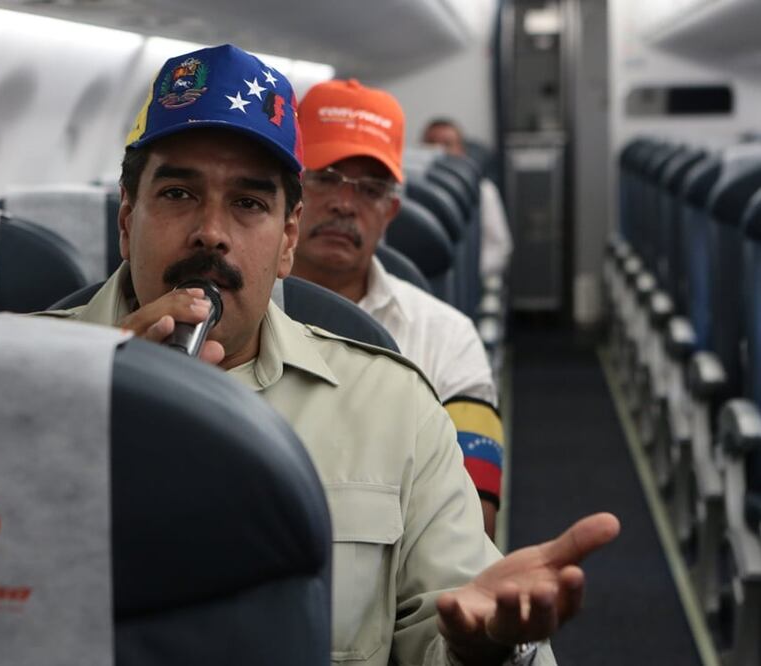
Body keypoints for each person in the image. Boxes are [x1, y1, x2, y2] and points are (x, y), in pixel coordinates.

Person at [46, 44, 618, 666]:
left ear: (286, 239)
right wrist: (93, 400)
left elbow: (450, 611)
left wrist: (478, 651)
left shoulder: (395, 407)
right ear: (127, 219)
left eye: (248, 203)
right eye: (180, 193)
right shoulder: (17, 380)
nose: (212, 231)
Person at [291, 80, 503, 538]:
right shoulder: (225, 321)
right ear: (290, 190)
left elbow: (473, 517)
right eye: (325, 177)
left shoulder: (447, 336)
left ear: (391, 211)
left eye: (369, 190)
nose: (344, 203)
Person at [423, 118, 513, 280]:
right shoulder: (413, 194)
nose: (438, 150)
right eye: (430, 143)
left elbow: (500, 248)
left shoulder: (484, 191)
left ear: (461, 150)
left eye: (447, 144)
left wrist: (465, 272)